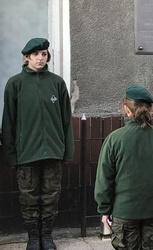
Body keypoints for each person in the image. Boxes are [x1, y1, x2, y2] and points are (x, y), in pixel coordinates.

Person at [1, 38, 74, 250]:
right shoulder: (15, 84)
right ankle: (33, 237)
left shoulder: (57, 83)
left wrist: (66, 151)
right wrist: (12, 155)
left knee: (51, 196)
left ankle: (47, 236)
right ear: (26, 57)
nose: (40, 58)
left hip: (53, 152)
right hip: (26, 154)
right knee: (29, 198)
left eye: (44, 54)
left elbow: (66, 120)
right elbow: (9, 122)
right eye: (36, 55)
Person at [94, 84, 153, 250]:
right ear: (150, 109)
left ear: (126, 110)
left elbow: (104, 180)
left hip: (124, 211)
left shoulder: (114, 139)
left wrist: (104, 210)